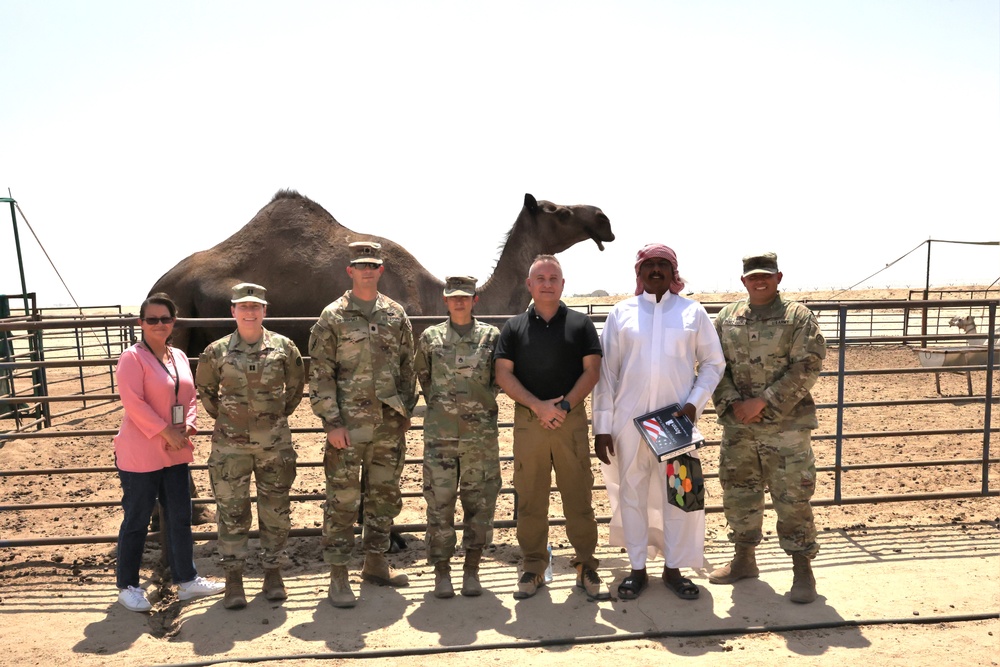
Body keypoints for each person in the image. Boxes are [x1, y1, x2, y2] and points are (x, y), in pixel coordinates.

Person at [592, 244, 725, 600]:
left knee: (680, 495)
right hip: (628, 424)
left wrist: (694, 404)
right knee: (631, 494)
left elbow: (713, 363)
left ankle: (674, 568)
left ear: (673, 272)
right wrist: (602, 427)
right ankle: (637, 568)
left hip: (675, 424)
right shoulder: (621, 313)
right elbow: (606, 374)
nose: (655, 270)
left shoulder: (692, 312)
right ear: (638, 272)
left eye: (662, 264)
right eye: (648, 265)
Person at [709, 252, 826, 604]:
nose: (759, 281)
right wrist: (734, 403)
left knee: (792, 498)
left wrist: (762, 401)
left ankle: (802, 569)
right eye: (753, 277)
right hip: (739, 426)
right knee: (739, 495)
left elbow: (808, 365)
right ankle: (744, 559)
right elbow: (713, 365)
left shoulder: (797, 317)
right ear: (743, 281)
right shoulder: (727, 317)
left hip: (786, 427)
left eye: (766, 276)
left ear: (778, 278)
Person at [309, 241, 418, 608]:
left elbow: (407, 367)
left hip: (388, 426)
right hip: (348, 428)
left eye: (373, 265)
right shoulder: (332, 317)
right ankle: (338, 574)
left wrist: (404, 411)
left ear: (381, 270)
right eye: (361, 265)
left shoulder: (395, 314)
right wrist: (332, 423)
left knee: (383, 497)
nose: (367, 271)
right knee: (342, 501)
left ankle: (376, 563)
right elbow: (320, 374)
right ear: (350, 271)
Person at [494, 254, 609, 601]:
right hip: (529, 423)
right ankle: (533, 567)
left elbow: (592, 370)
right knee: (530, 497)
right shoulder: (514, 327)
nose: (547, 284)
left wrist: (563, 406)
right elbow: (503, 374)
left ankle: (586, 565)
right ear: (529, 285)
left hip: (569, 421)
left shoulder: (580, 325)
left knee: (579, 495)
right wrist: (538, 406)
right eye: (540, 278)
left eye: (553, 278)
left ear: (562, 284)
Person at [196, 283, 305, 609]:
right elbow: (207, 393)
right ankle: (234, 579)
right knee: (232, 512)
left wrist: (272, 417)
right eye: (243, 306)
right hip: (230, 447)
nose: (249, 312)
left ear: (264, 311)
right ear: (233, 311)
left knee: (275, 510)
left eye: (255, 306)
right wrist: (232, 421)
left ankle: (273, 572)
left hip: (274, 444)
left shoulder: (284, 348)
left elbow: (295, 388)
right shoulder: (215, 352)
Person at [113, 293, 224, 612]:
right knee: (137, 518)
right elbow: (133, 403)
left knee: (179, 516)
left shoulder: (178, 356)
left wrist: (188, 424)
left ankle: (187, 579)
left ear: (173, 322)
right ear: (141, 323)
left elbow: (189, 397)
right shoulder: (132, 358)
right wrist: (166, 431)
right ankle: (128, 585)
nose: (159, 324)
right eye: (152, 319)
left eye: (165, 319)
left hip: (175, 450)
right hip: (141, 453)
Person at [414, 276, 502, 599]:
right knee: (439, 504)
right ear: (445, 300)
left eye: (465, 297)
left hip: (480, 438)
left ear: (475, 300)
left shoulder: (491, 337)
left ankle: (472, 569)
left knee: (480, 503)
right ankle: (442, 571)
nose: (459, 302)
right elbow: (423, 377)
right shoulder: (430, 337)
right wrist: (447, 410)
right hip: (441, 437)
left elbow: (498, 380)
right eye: (454, 297)